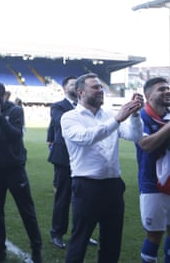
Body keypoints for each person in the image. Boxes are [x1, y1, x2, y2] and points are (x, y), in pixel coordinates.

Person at [61, 73, 143, 262]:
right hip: (86, 186)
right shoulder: (69, 117)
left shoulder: (108, 116)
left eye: (101, 87)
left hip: (113, 185)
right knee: (79, 240)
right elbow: (85, 138)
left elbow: (134, 135)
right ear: (81, 92)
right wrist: (117, 120)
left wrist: (135, 114)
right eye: (95, 87)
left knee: (112, 241)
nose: (100, 90)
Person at [0, 81, 43, 263]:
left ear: (1, 94)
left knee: (27, 211)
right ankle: (0, 251)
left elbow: (15, 135)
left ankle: (36, 251)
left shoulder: (15, 111)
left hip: (14, 169)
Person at [47, 76, 98, 249]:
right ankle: (57, 233)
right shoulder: (58, 107)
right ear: (64, 88)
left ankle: (83, 233)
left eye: (77, 83)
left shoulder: (88, 107)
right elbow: (57, 124)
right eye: (71, 84)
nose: (75, 85)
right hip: (63, 159)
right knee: (63, 197)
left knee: (85, 199)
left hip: (84, 158)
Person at [134, 77, 170, 262]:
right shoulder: (141, 117)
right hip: (152, 185)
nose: (167, 91)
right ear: (148, 95)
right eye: (161, 89)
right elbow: (146, 144)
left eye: (168, 88)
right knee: (155, 235)